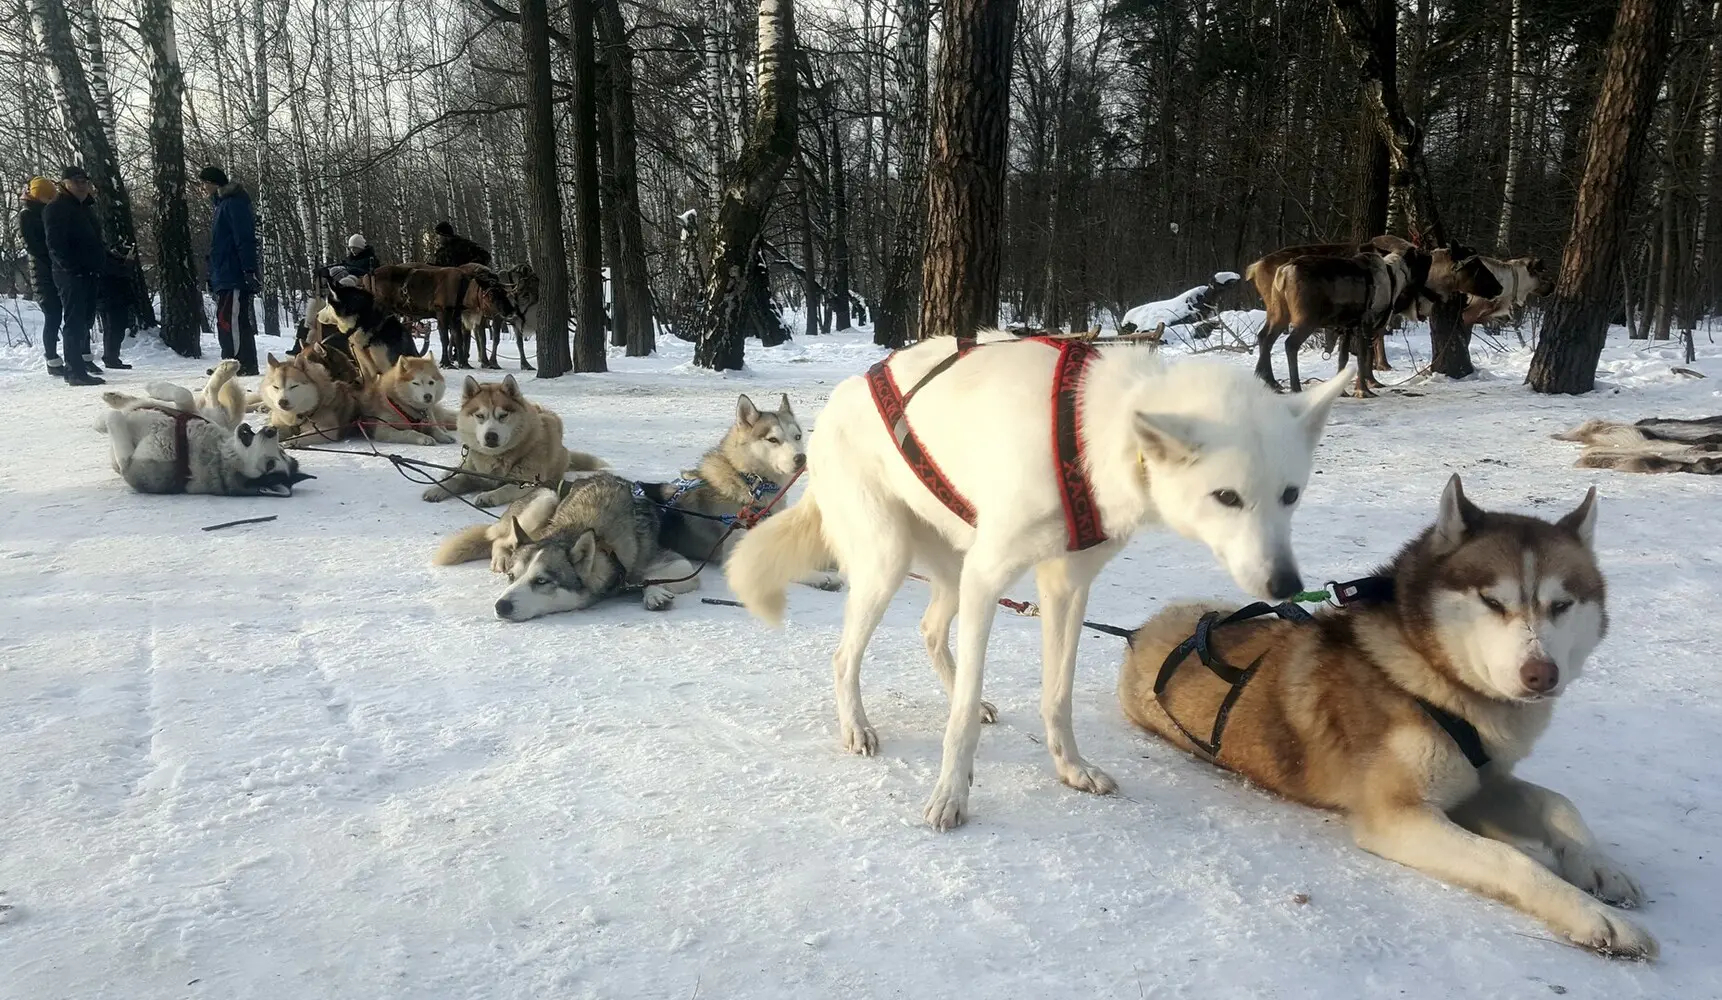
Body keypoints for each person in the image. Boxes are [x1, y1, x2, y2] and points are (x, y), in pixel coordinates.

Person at [41, 165, 106, 386]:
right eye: (77, 182)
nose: (82, 186)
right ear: (65, 183)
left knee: (85, 320)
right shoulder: (56, 208)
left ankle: (78, 366)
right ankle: (74, 370)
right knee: (74, 321)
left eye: (85, 182)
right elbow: (55, 244)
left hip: (89, 271)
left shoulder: (85, 208)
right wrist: (71, 268)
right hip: (71, 274)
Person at [199, 165, 260, 376]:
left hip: (233, 273)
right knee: (234, 319)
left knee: (229, 320)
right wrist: (212, 274)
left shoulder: (233, 204)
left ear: (213, 183)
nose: (202, 188)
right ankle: (243, 363)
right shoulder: (221, 206)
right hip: (224, 273)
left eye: (204, 183)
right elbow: (219, 246)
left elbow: (244, 238)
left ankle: (233, 363)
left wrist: (248, 269)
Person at [17, 176, 63, 377]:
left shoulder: (49, 212)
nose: (50, 199)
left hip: (56, 268)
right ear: (38, 196)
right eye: (47, 196)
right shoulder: (27, 215)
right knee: (53, 315)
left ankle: (68, 357)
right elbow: (33, 246)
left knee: (62, 314)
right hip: (42, 272)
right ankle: (52, 359)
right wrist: (53, 258)